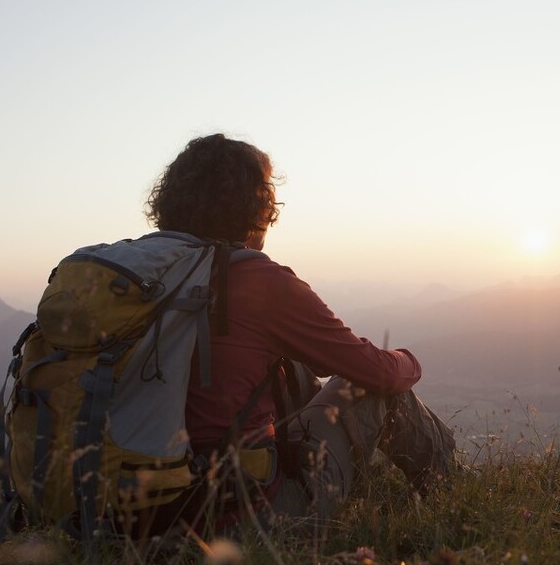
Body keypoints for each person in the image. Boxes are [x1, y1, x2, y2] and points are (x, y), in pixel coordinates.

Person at [143, 133, 455, 531]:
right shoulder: (255, 278)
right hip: (239, 518)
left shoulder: (138, 277)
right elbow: (377, 372)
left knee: (297, 372)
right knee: (368, 388)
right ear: (257, 206)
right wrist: (408, 360)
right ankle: (452, 497)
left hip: (133, 516)